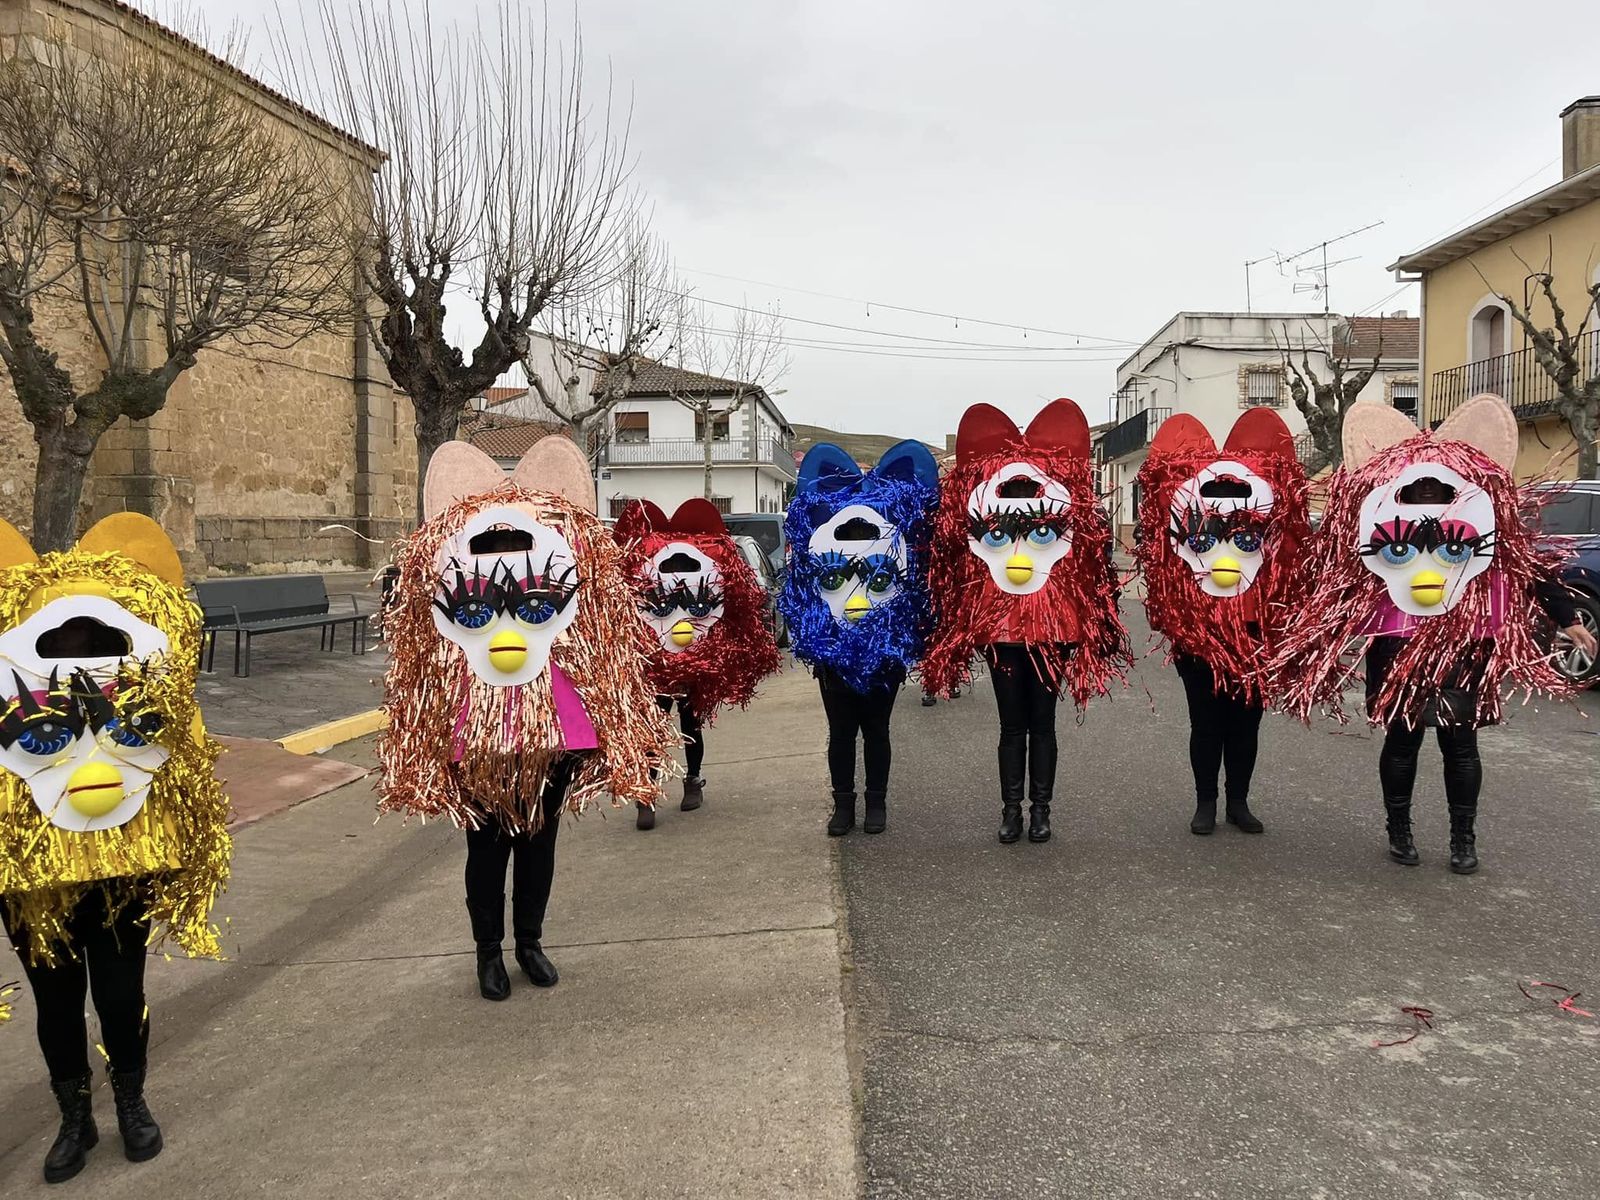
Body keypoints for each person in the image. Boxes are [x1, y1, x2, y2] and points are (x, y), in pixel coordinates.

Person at [378, 438, 670, 999]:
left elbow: (597, 639)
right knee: (485, 852)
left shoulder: (571, 567)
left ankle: (530, 944)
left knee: (540, 846)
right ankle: (488, 953)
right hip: (477, 733)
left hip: (551, 733)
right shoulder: (449, 571)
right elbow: (423, 647)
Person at [0, 514, 231, 1184]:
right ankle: (75, 1117)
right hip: (34, 871)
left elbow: (181, 754)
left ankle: (131, 1101)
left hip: (123, 857)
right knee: (56, 999)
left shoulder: (143, 667)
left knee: (122, 992)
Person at [1275, 394, 1592, 873]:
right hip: (1396, 642)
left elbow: (1531, 572)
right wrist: (1312, 632)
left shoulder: (1489, 524)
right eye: (1417, 491)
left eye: (1436, 491)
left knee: (1460, 745)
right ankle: (1398, 829)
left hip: (1466, 643)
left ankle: (1463, 837)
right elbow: (1337, 576)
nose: (1428, 498)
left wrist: (1567, 617)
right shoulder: (1375, 520)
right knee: (1402, 742)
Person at [921, 399, 1131, 845]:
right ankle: (1013, 810)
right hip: (1003, 637)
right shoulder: (984, 515)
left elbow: (1089, 571)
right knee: (1014, 726)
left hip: (1054, 635)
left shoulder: (1067, 516)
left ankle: (1040, 811)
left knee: (1041, 725)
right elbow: (961, 565)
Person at [1133, 410, 1311, 836]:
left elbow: (1292, 551)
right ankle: (1205, 802)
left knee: (1246, 723)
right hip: (1198, 632)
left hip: (1253, 632)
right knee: (1206, 723)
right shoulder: (1182, 527)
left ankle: (1238, 801)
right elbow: (1162, 560)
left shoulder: (1270, 527)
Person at [779, 440, 940, 836]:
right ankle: (843, 805)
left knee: (877, 730)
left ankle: (876, 802)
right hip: (832, 652)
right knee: (841, 732)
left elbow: (916, 579)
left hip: (884, 650)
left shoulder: (894, 540)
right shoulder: (821, 542)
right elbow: (803, 584)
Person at [612, 500, 780, 832]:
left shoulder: (700, 571)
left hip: (693, 662)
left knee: (690, 724)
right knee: (653, 731)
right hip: (654, 664)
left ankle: (692, 780)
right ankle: (646, 795)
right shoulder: (645, 572)